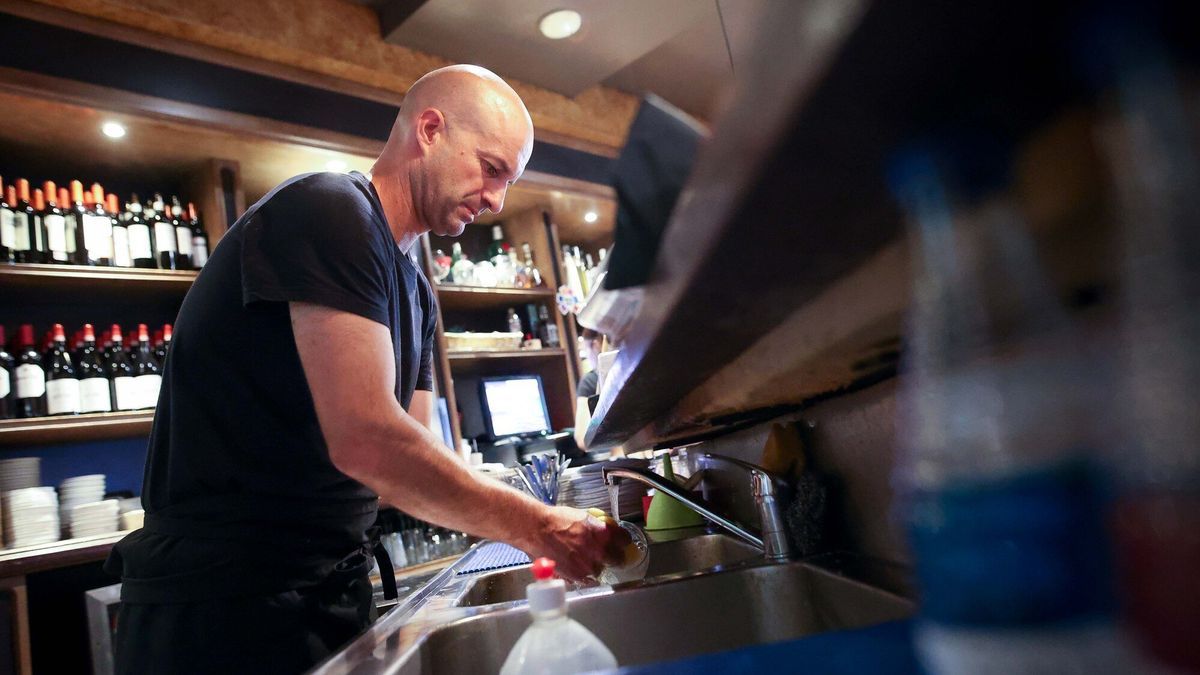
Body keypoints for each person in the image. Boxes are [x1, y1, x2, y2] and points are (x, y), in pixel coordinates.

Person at [105, 65, 627, 674]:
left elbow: (409, 455)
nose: (496, 201)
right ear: (429, 130)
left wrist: (515, 508)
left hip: (326, 591)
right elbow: (369, 440)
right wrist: (538, 525)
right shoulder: (329, 212)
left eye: (508, 183)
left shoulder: (416, 289)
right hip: (221, 604)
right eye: (491, 170)